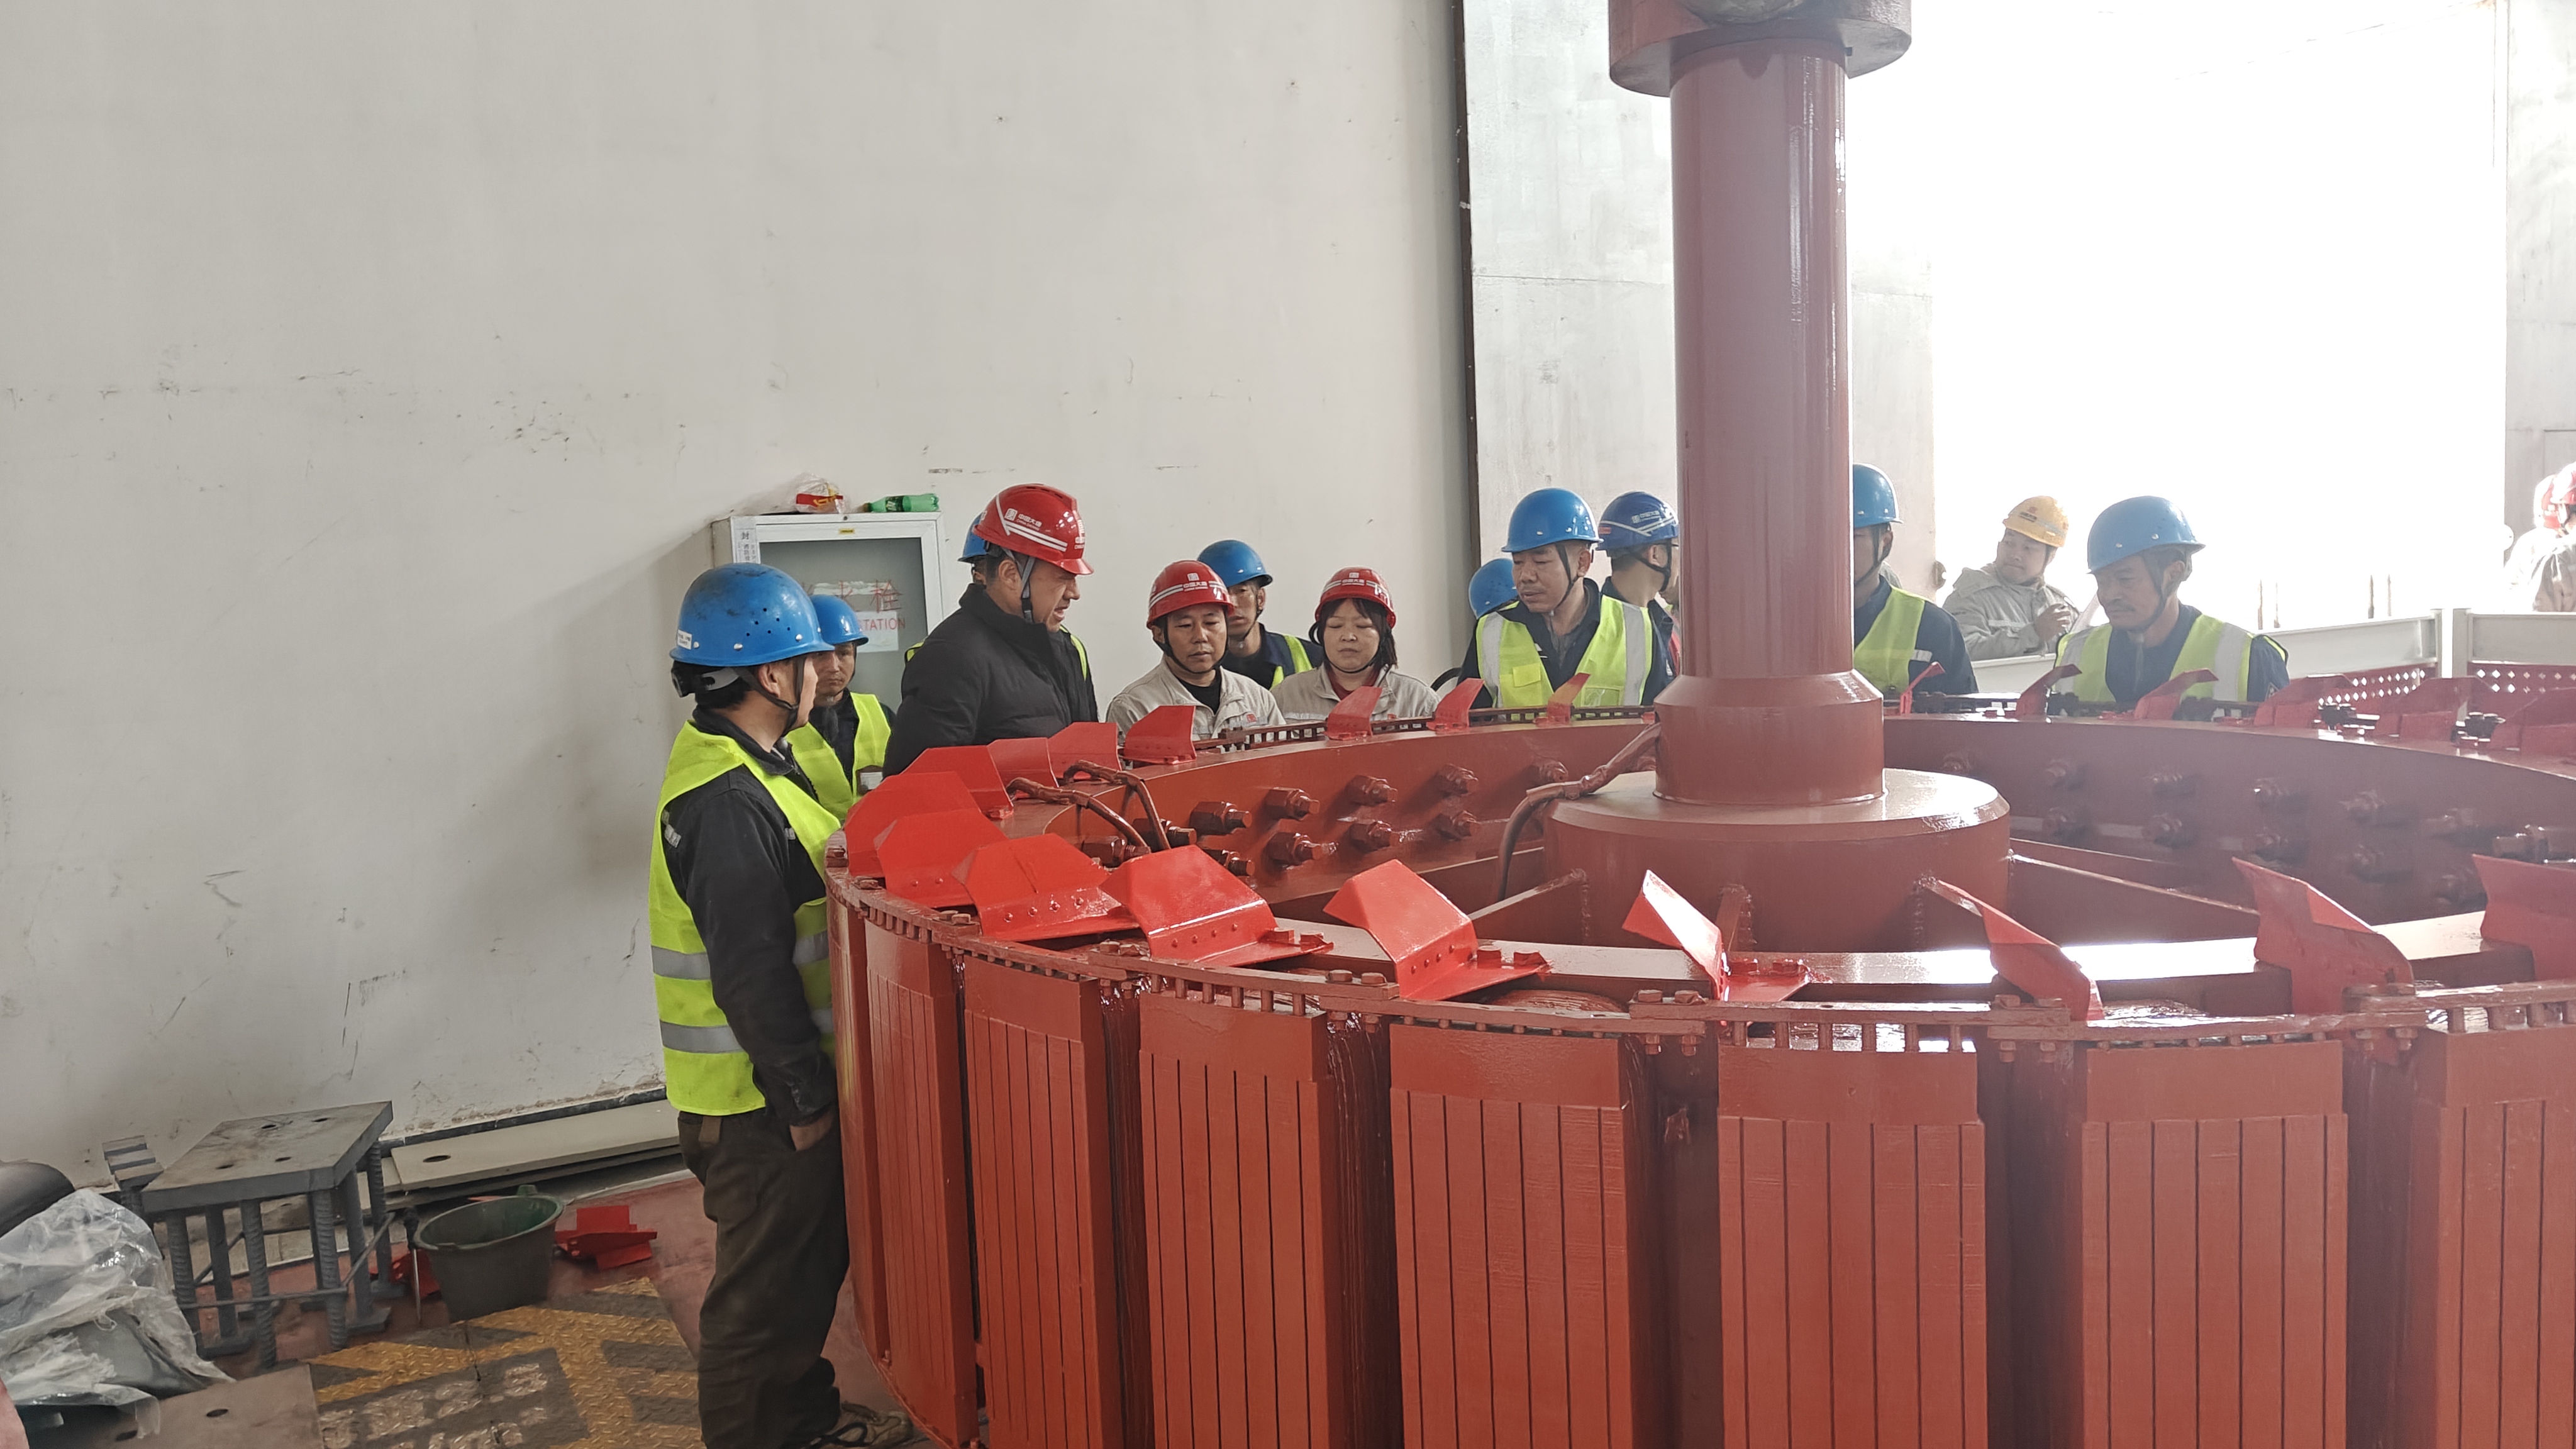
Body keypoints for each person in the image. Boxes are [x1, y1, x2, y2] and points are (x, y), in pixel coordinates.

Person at [650, 564, 882, 1449]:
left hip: (765, 1096)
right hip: (758, 1107)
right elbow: (751, 975)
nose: (824, 672)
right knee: (760, 1310)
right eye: (809, 659)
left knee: (796, 1288)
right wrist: (805, 1102)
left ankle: (802, 1423)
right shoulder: (726, 800)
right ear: (772, 675)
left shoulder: (754, 767)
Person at [883, 485, 1097, 774]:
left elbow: (1088, 758)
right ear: (1010, 575)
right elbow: (918, 786)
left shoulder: (1065, 648)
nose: (1074, 593)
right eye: (1063, 577)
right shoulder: (951, 658)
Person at [2055, 495, 2289, 707]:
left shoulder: (2250, 657)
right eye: (2102, 581)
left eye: (2125, 579)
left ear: (2174, 574)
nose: (2108, 595)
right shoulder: (2076, 654)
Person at [1458, 489, 1672, 708]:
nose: (1525, 576)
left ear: (1582, 563)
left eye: (1541, 562)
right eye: (1518, 562)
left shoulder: (1638, 629)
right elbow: (1464, 723)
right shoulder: (1491, 632)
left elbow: (1663, 722)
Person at [1106, 560, 1287, 738]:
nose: (1200, 636)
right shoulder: (1135, 709)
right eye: (1185, 625)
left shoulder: (1257, 699)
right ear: (1159, 634)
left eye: (1211, 623)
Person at [1851, 464, 1976, 696]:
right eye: (1824, 536)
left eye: (1853, 537)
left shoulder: (1932, 627)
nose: (1836, 549)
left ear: (1885, 542)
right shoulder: (1787, 626)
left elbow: (1963, 714)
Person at [1272, 567, 1443, 721]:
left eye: (1362, 626)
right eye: (1336, 626)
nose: (1348, 636)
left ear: (1383, 634)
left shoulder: (1418, 702)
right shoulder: (1286, 696)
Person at [782, 594, 891, 820]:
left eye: (843, 653)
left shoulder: (881, 714)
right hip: (812, 843)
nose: (834, 666)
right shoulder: (778, 725)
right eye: (820, 654)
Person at [1943, 496, 2078, 660]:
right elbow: (1962, 653)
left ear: (2051, 556)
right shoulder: (1971, 595)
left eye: (2027, 548)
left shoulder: (2059, 606)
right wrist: (2033, 634)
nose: (2015, 555)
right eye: (2009, 543)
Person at [1197, 539, 1314, 689]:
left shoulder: (1311, 657)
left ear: (1260, 599)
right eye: (1221, 594)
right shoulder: (1196, 666)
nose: (1233, 604)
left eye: (1242, 591)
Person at [1598, 490, 1682, 675]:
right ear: (1655, 554)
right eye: (1676, 547)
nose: (1679, 559)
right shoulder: (1596, 629)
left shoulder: (1663, 623)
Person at [2507, 465, 2576, 611]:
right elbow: (2509, 590)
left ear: (2564, 509)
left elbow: (2537, 621)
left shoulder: (2555, 558)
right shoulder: (2530, 544)